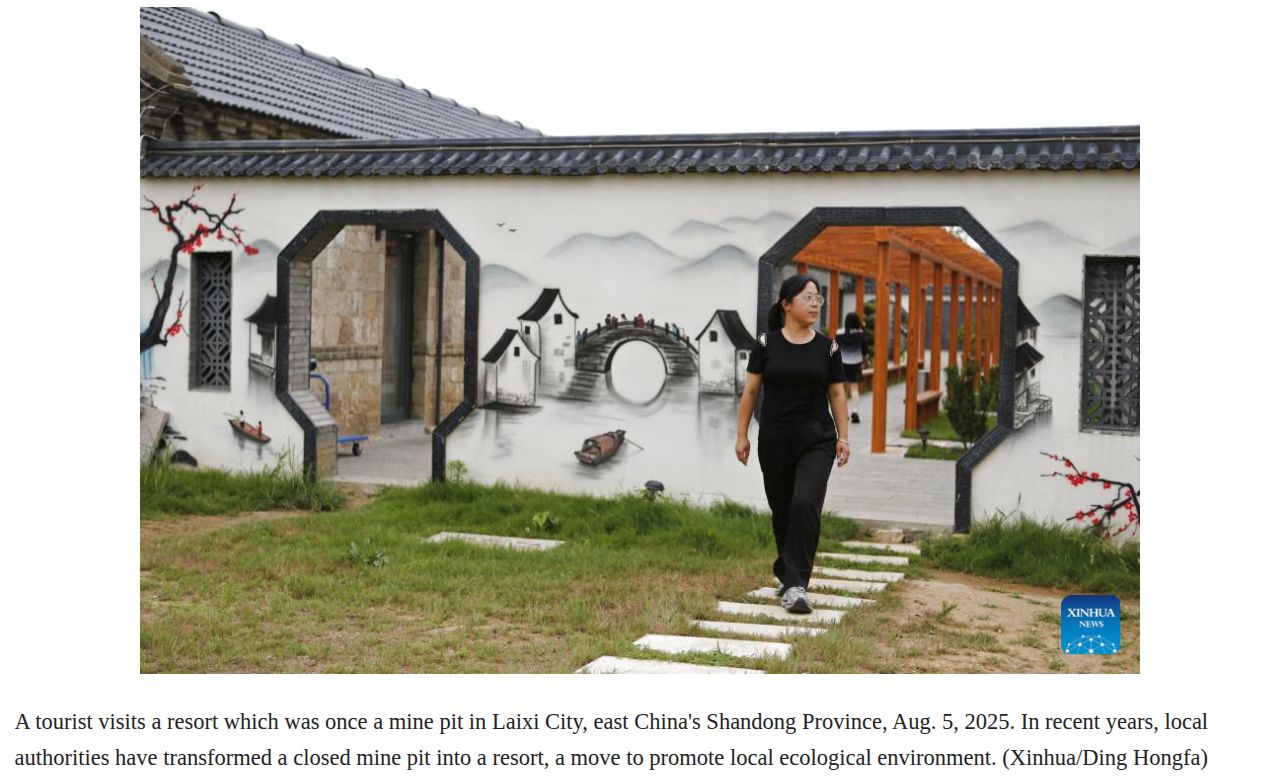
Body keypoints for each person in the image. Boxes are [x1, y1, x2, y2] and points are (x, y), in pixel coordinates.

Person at [735, 275, 850, 614]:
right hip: (775, 438)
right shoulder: (766, 343)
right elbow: (752, 391)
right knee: (783, 508)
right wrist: (742, 434)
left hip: (817, 438)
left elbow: (837, 393)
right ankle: (787, 572)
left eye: (819, 297)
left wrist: (843, 436)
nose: (816, 303)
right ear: (786, 304)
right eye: (808, 297)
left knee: (805, 502)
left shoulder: (828, 347)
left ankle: (797, 584)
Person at [836, 312, 866, 424]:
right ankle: (855, 411)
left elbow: (834, 348)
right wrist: (866, 358)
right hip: (856, 363)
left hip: (842, 364)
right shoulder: (860, 334)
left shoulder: (839, 333)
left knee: (844, 391)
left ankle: (844, 414)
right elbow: (865, 350)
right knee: (854, 389)